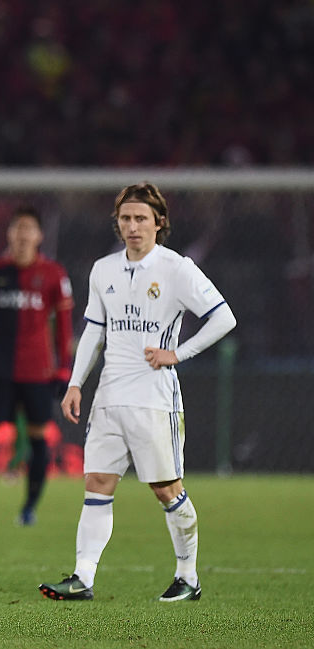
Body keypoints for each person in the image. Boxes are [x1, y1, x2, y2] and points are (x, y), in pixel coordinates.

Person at [39, 182, 236, 603]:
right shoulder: (103, 269)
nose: (132, 226)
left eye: (141, 218)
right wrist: (76, 383)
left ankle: (189, 577)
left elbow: (223, 317)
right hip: (109, 395)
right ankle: (83, 578)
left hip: (153, 398)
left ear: (159, 223)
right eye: (126, 219)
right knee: (97, 483)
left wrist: (177, 354)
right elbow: (93, 330)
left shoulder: (176, 268)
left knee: (166, 488)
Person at [0, 205, 73, 527]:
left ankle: (28, 508)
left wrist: (64, 369)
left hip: (39, 373)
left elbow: (64, 327)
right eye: (17, 228)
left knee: (39, 438)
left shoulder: (53, 274)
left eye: (29, 228)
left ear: (39, 235)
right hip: (0, 371)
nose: (22, 235)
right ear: (9, 233)